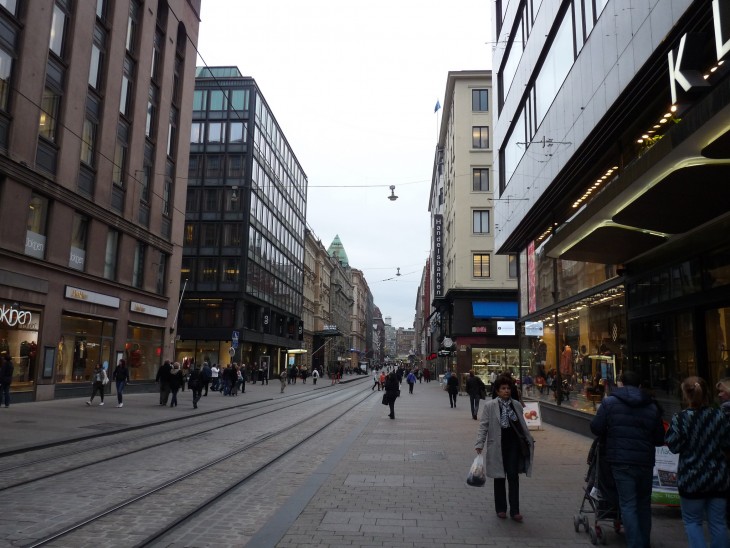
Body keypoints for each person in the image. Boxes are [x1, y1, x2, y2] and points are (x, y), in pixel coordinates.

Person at [590, 370, 665, 548]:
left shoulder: (610, 402)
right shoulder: (652, 406)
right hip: (645, 462)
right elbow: (659, 438)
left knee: (628, 504)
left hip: (620, 460)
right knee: (643, 504)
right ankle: (643, 543)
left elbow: (596, 427)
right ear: (640, 385)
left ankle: (635, 545)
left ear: (621, 383)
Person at [665, 377, 730, 548]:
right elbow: (727, 443)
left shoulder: (680, 418)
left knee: (693, 522)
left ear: (686, 395)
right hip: (718, 477)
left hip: (691, 478)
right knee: (718, 523)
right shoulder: (719, 416)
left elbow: (673, 445)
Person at [474, 374, 534, 522]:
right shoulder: (490, 406)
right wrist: (479, 443)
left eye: (508, 388)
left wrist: (529, 439)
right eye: (503, 388)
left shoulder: (516, 405)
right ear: (497, 391)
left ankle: (515, 510)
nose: (506, 391)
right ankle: (501, 509)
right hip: (497, 445)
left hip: (513, 445)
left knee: (513, 476)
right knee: (499, 477)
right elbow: (484, 426)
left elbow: (522, 425)